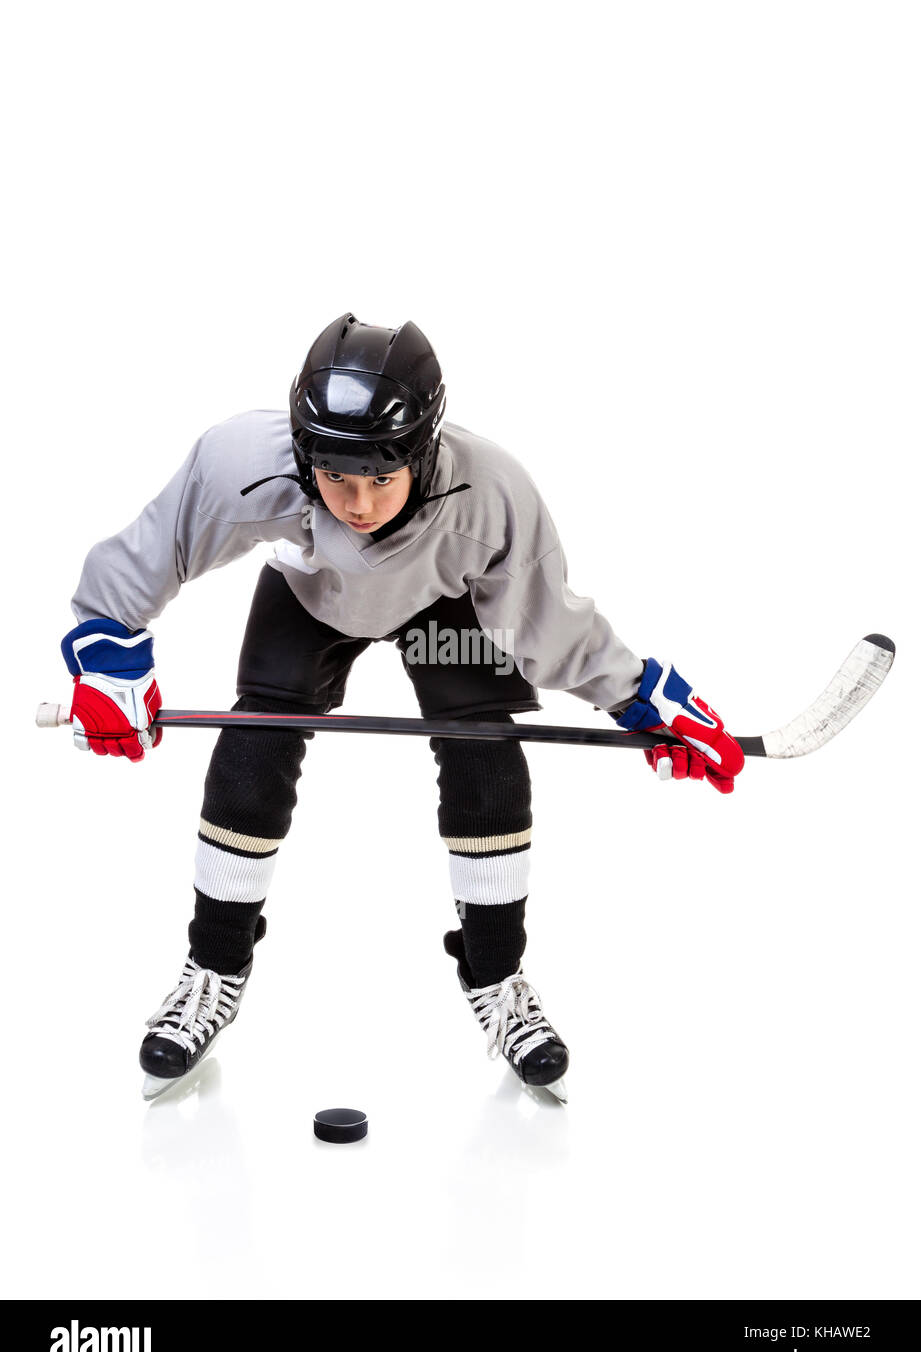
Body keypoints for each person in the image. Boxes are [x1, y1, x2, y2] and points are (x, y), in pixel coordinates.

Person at [61, 313, 744, 1102]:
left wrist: (641, 698)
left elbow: (548, 624)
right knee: (254, 747)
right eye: (336, 478)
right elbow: (137, 567)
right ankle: (213, 967)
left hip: (442, 608)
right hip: (311, 597)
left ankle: (497, 978)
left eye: (381, 479)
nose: (359, 503)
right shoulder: (239, 464)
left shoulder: (491, 493)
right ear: (301, 450)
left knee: (484, 753)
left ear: (420, 453)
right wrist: (106, 659)